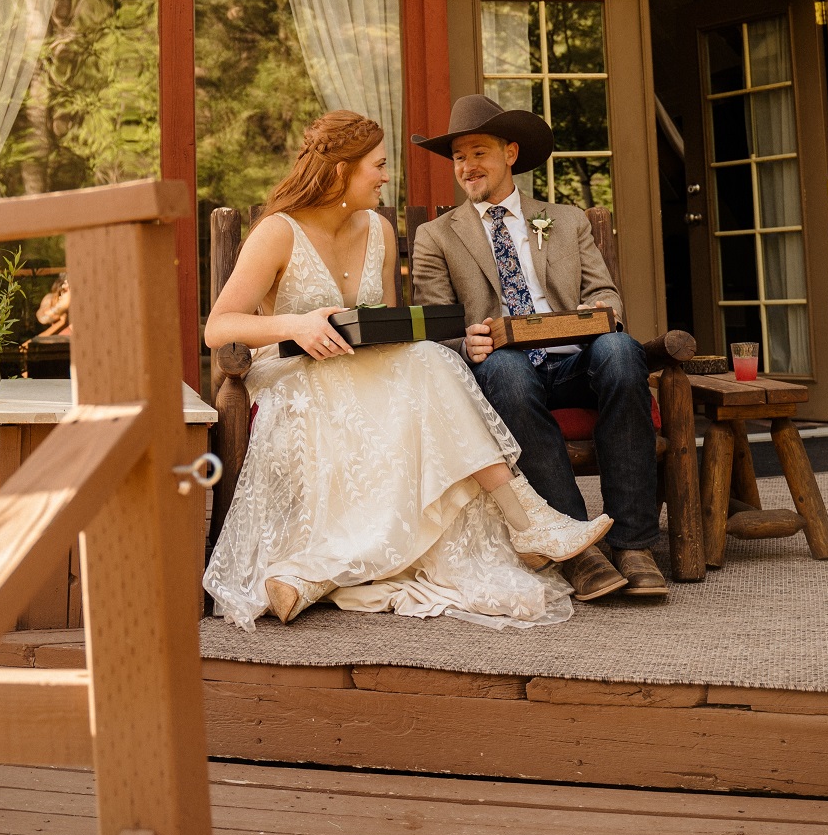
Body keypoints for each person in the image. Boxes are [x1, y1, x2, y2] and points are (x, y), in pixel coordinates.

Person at [203, 110, 613, 629]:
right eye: (377, 166)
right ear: (341, 172)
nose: (385, 176)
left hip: (365, 372)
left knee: (428, 357)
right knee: (421, 369)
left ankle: (524, 521)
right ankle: (526, 518)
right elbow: (219, 327)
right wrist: (297, 325)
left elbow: (390, 330)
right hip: (293, 376)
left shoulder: (377, 229)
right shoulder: (278, 233)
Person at [410, 96, 668, 602]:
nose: (467, 166)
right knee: (507, 370)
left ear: (510, 153)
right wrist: (464, 342)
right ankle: (577, 549)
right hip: (503, 372)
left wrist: (603, 313)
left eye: (478, 153)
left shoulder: (566, 220)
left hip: (577, 362)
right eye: (459, 157)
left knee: (620, 350)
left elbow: (604, 292)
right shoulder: (437, 236)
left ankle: (634, 544)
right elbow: (434, 326)